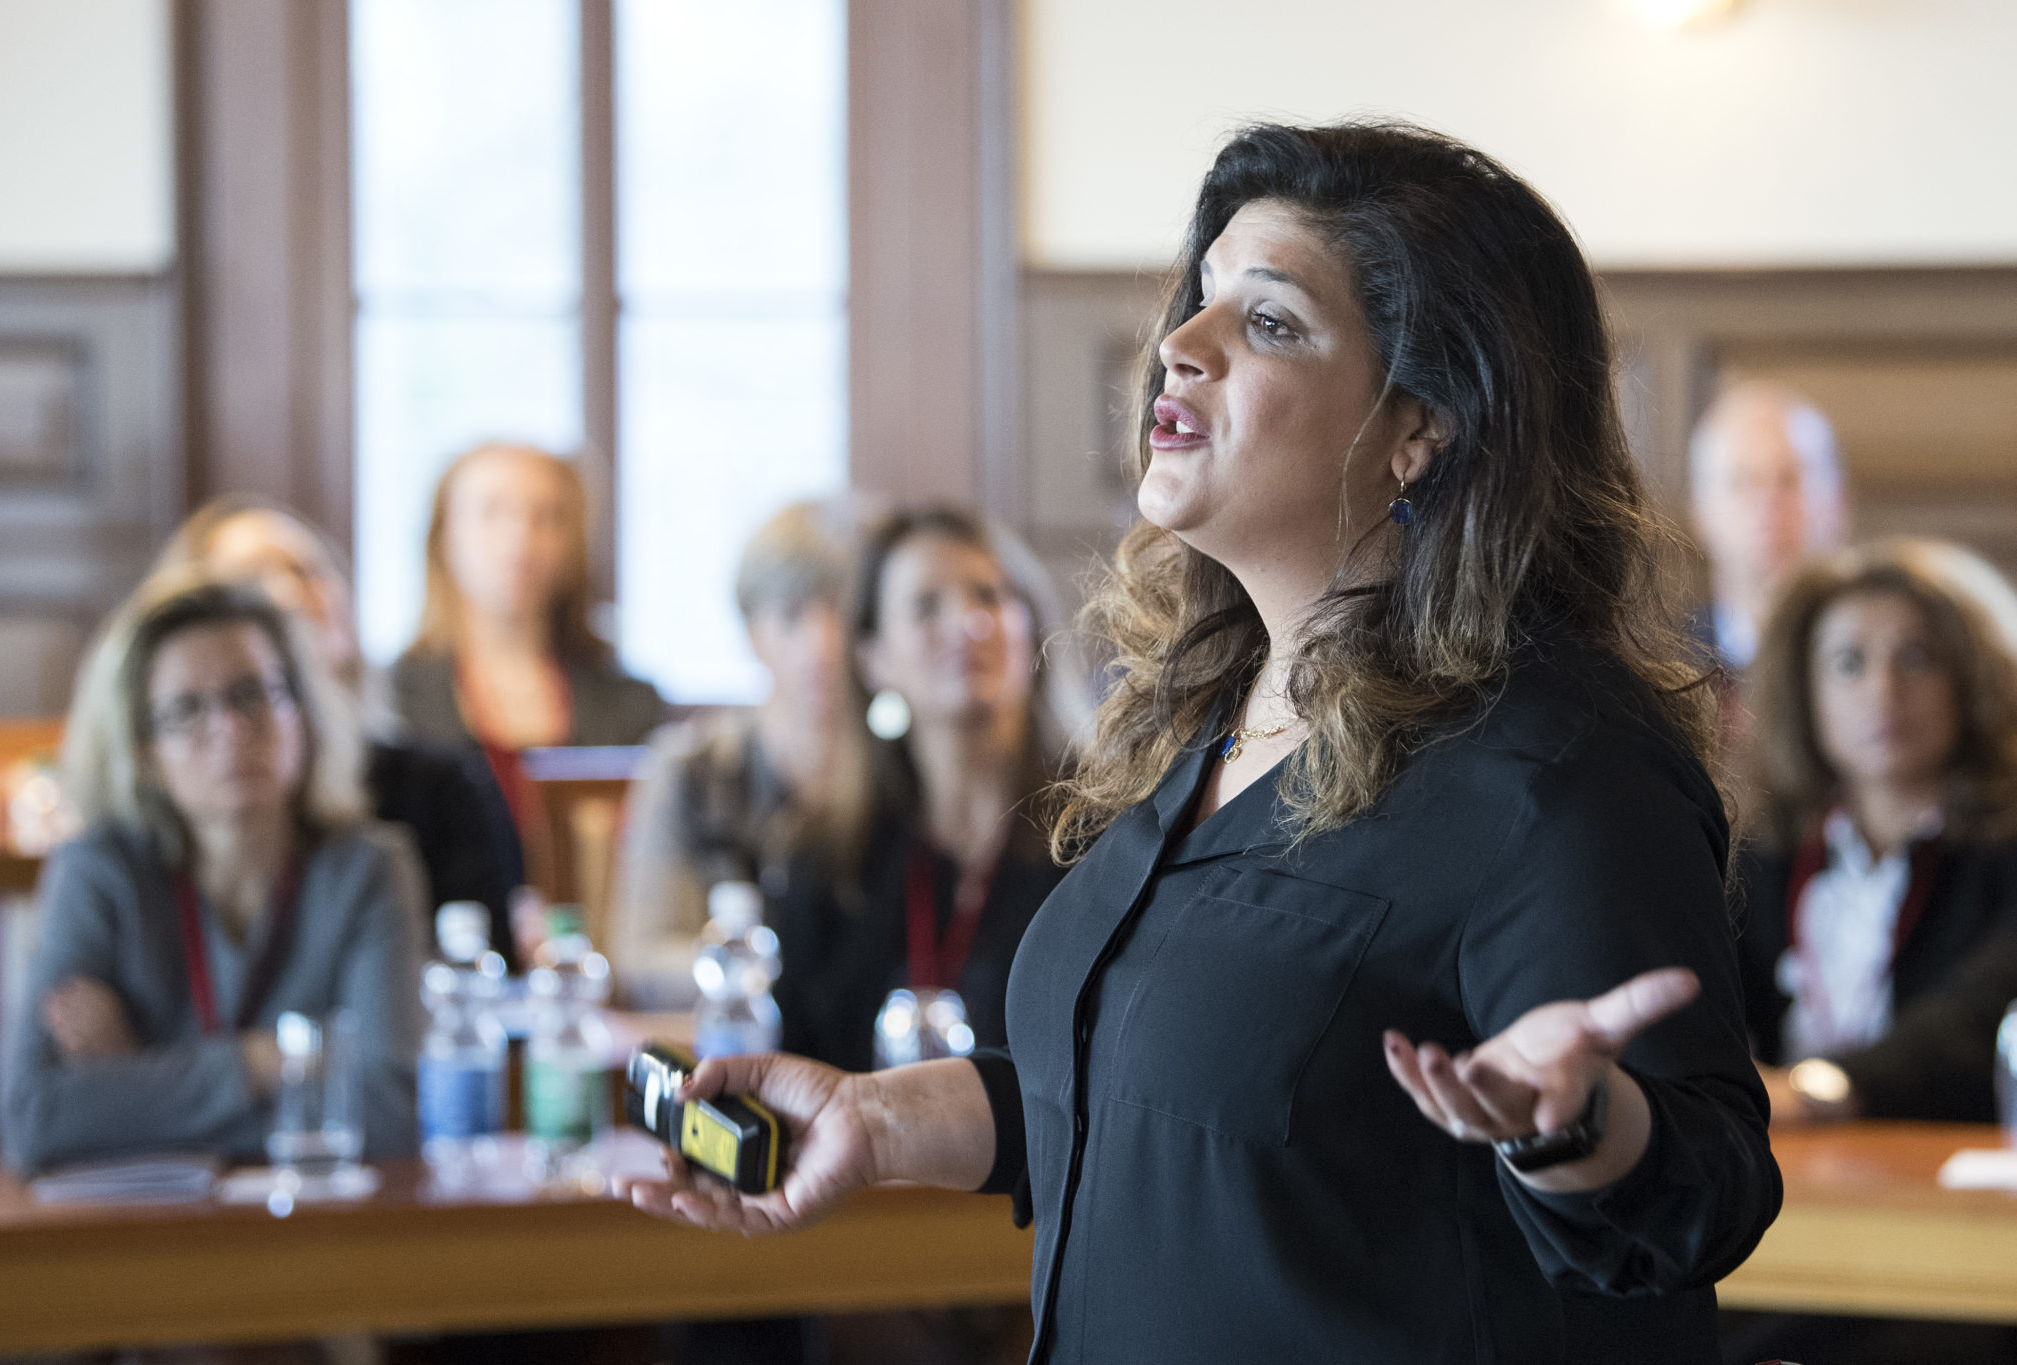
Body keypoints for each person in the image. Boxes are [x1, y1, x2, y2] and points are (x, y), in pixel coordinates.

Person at [619, 121, 1779, 1364]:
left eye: (1267, 321)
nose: (1180, 343)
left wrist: (1578, 1129)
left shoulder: (1553, 770)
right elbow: (1164, 1111)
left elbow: (1701, 1195)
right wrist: (880, 1122)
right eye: (1202, 297)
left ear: (1420, 424)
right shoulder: (1209, 722)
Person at [0, 574, 423, 1172]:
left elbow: (389, 1115)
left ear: (302, 712)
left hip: (323, 1223)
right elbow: (34, 1116)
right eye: (185, 711)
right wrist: (257, 1062)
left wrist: (137, 1078)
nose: (228, 728)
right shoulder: (97, 873)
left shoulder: (369, 869)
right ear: (143, 751)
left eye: (253, 694)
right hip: (142, 1227)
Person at [771, 504, 1084, 1073]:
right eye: (925, 607)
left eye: (989, 597)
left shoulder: (1104, 838)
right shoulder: (827, 862)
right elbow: (793, 1068)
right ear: (873, 659)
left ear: (1031, 629)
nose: (969, 624)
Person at [156, 495, 521, 958]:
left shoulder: (439, 785)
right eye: (252, 577)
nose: (288, 595)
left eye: (305, 572)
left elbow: (488, 965)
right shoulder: (155, 814)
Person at [1735, 538, 2017, 1126]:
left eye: (1916, 659)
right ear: (1804, 692)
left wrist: (1820, 1090)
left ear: (1971, 678)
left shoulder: (2004, 851)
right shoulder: (1764, 856)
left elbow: (1980, 1017)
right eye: (1848, 663)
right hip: (1787, 1164)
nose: (1882, 691)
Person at [611, 499, 867, 1009]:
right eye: (792, 616)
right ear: (752, 632)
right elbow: (642, 959)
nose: (822, 643)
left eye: (842, 613)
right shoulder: (691, 770)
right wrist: (775, 974)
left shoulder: (902, 771)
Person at [391, 443, 666, 832]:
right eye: (491, 512)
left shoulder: (631, 703)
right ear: (443, 535)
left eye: (547, 517)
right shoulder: (391, 699)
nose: (519, 538)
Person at [1689, 380, 1850, 672]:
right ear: (1699, 513)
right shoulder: (1656, 671)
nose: (1768, 505)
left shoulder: (1878, 676)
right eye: (1741, 483)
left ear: (1839, 501)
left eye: (1790, 480)